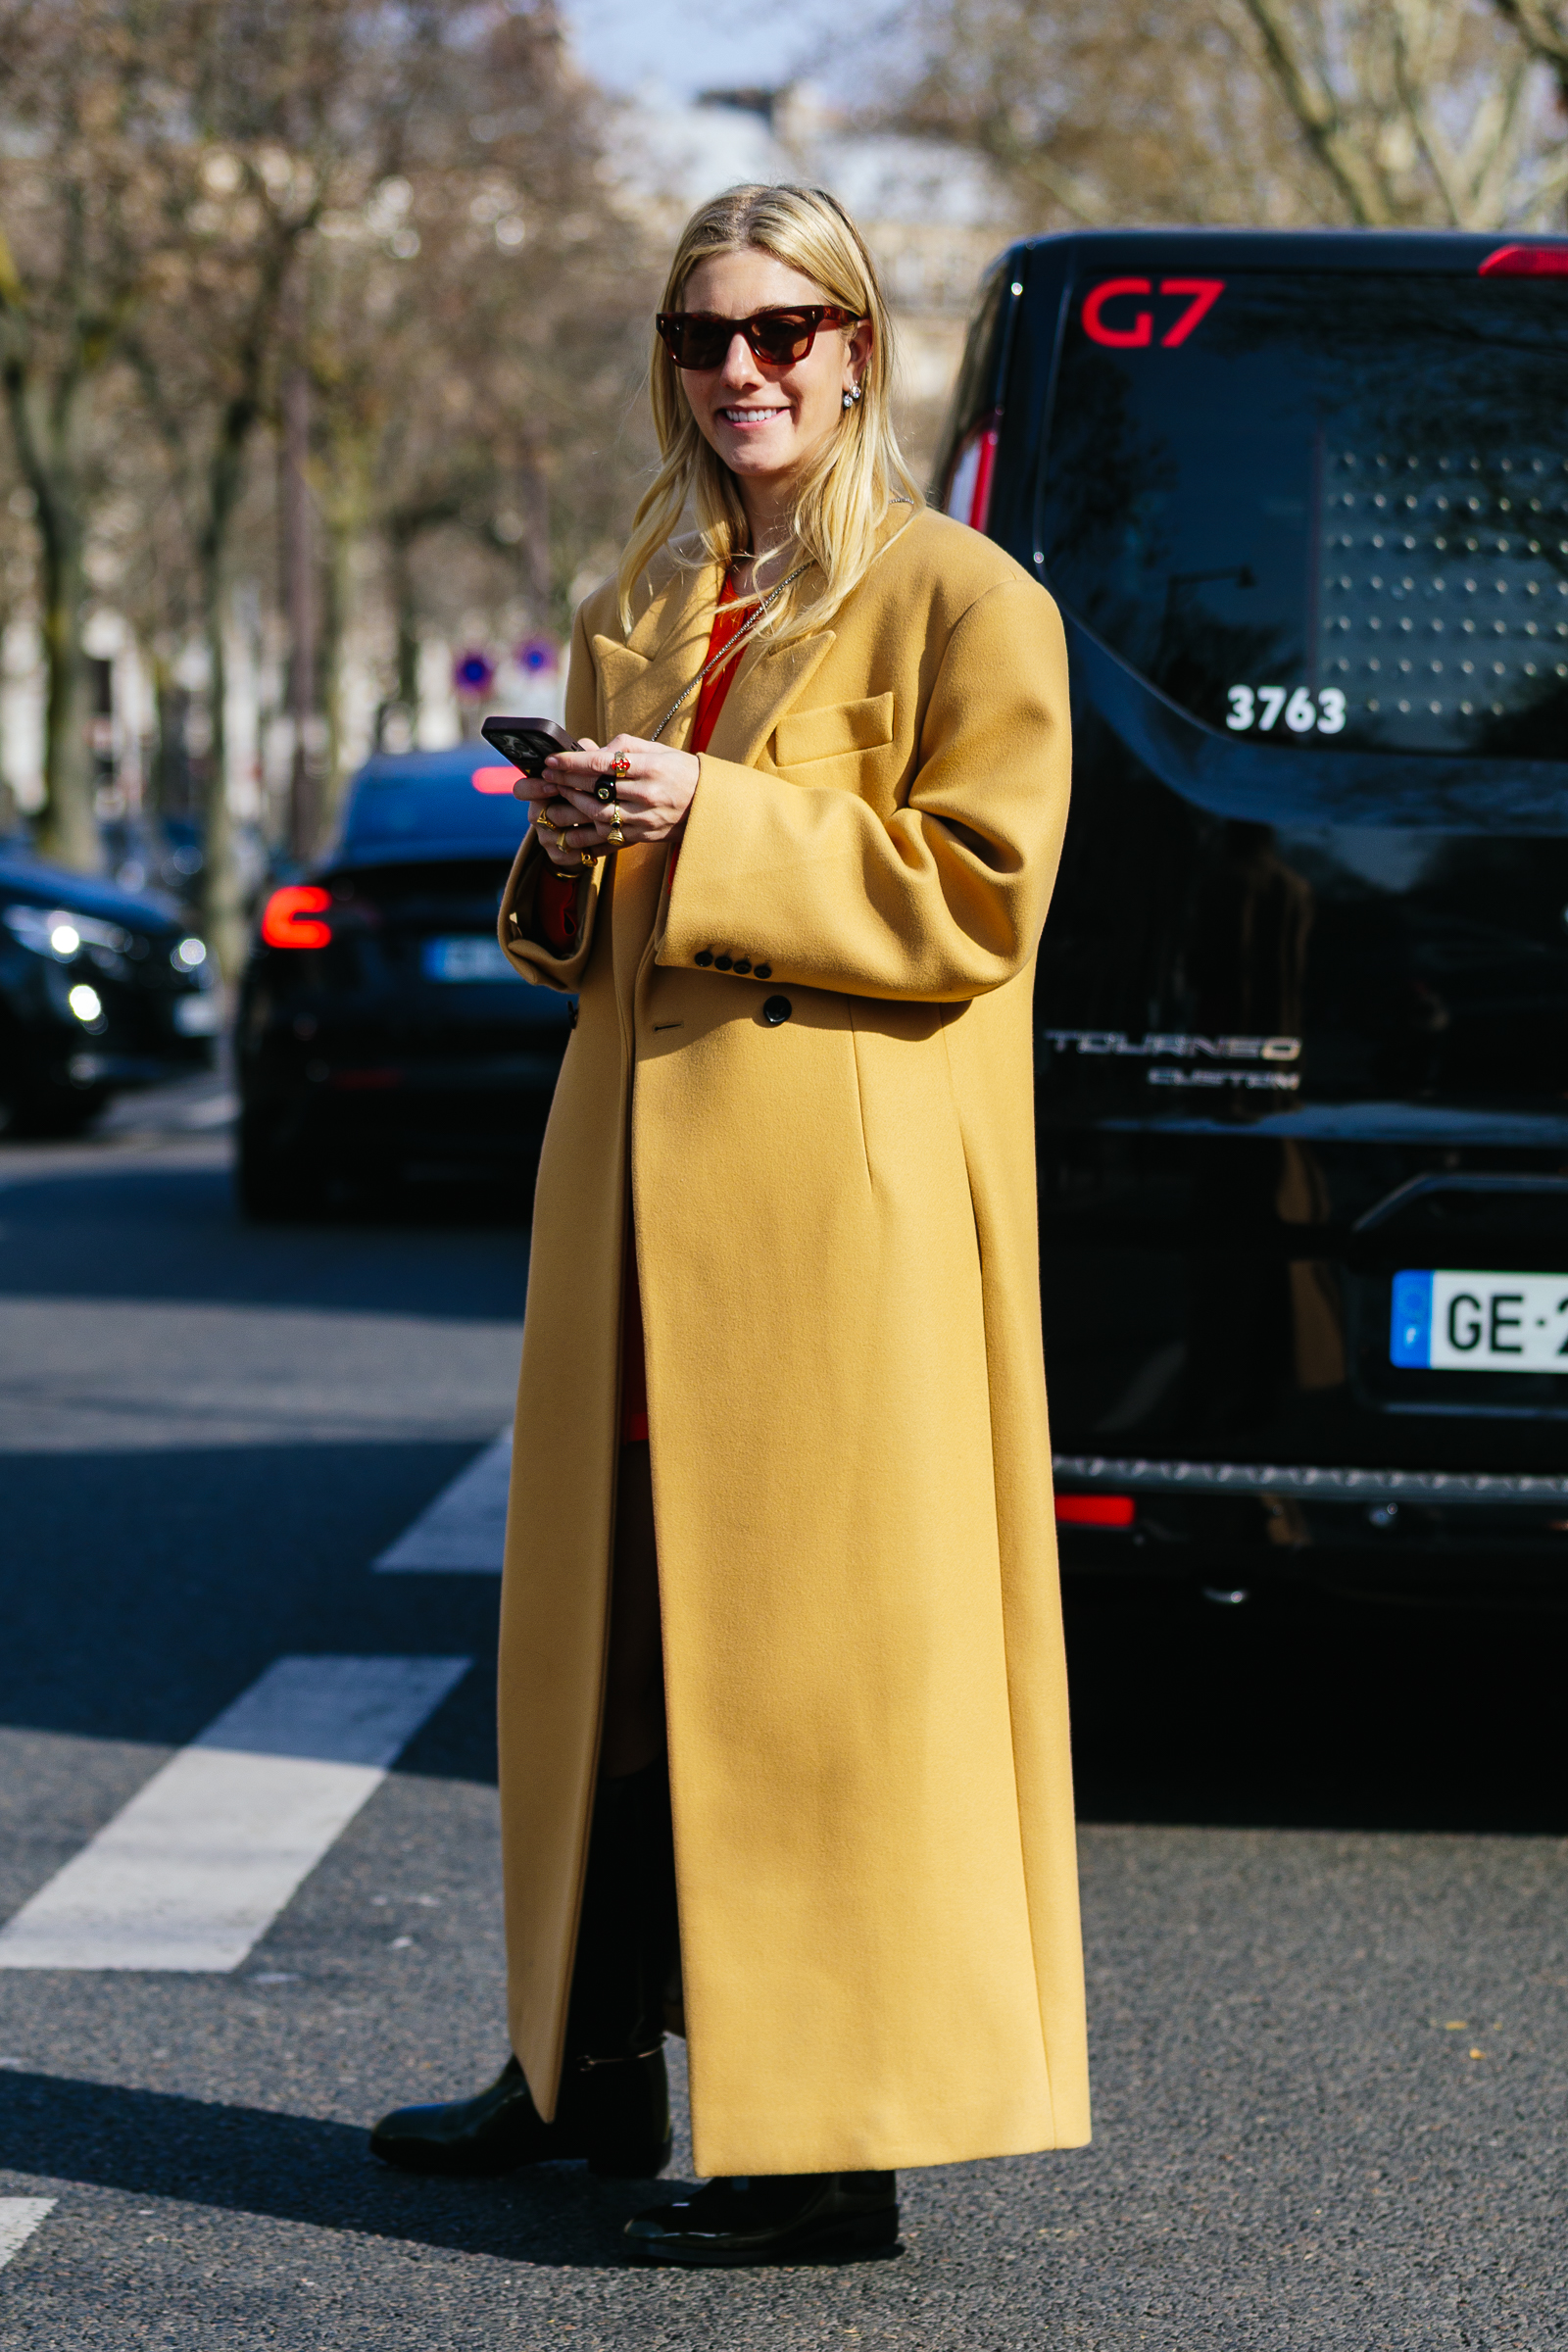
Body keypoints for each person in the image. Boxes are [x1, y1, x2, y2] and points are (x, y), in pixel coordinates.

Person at [369, 179, 1090, 2267]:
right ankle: (578, 2064)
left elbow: (977, 895)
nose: (742, 371)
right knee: (608, 1638)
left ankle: (825, 2145)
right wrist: (572, 841)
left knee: (818, 1670)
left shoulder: (965, 599)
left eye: (784, 329)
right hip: (630, 1194)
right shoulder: (649, 589)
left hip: (835, 1229)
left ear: (859, 346)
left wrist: (721, 818)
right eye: (701, 337)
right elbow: (585, 931)